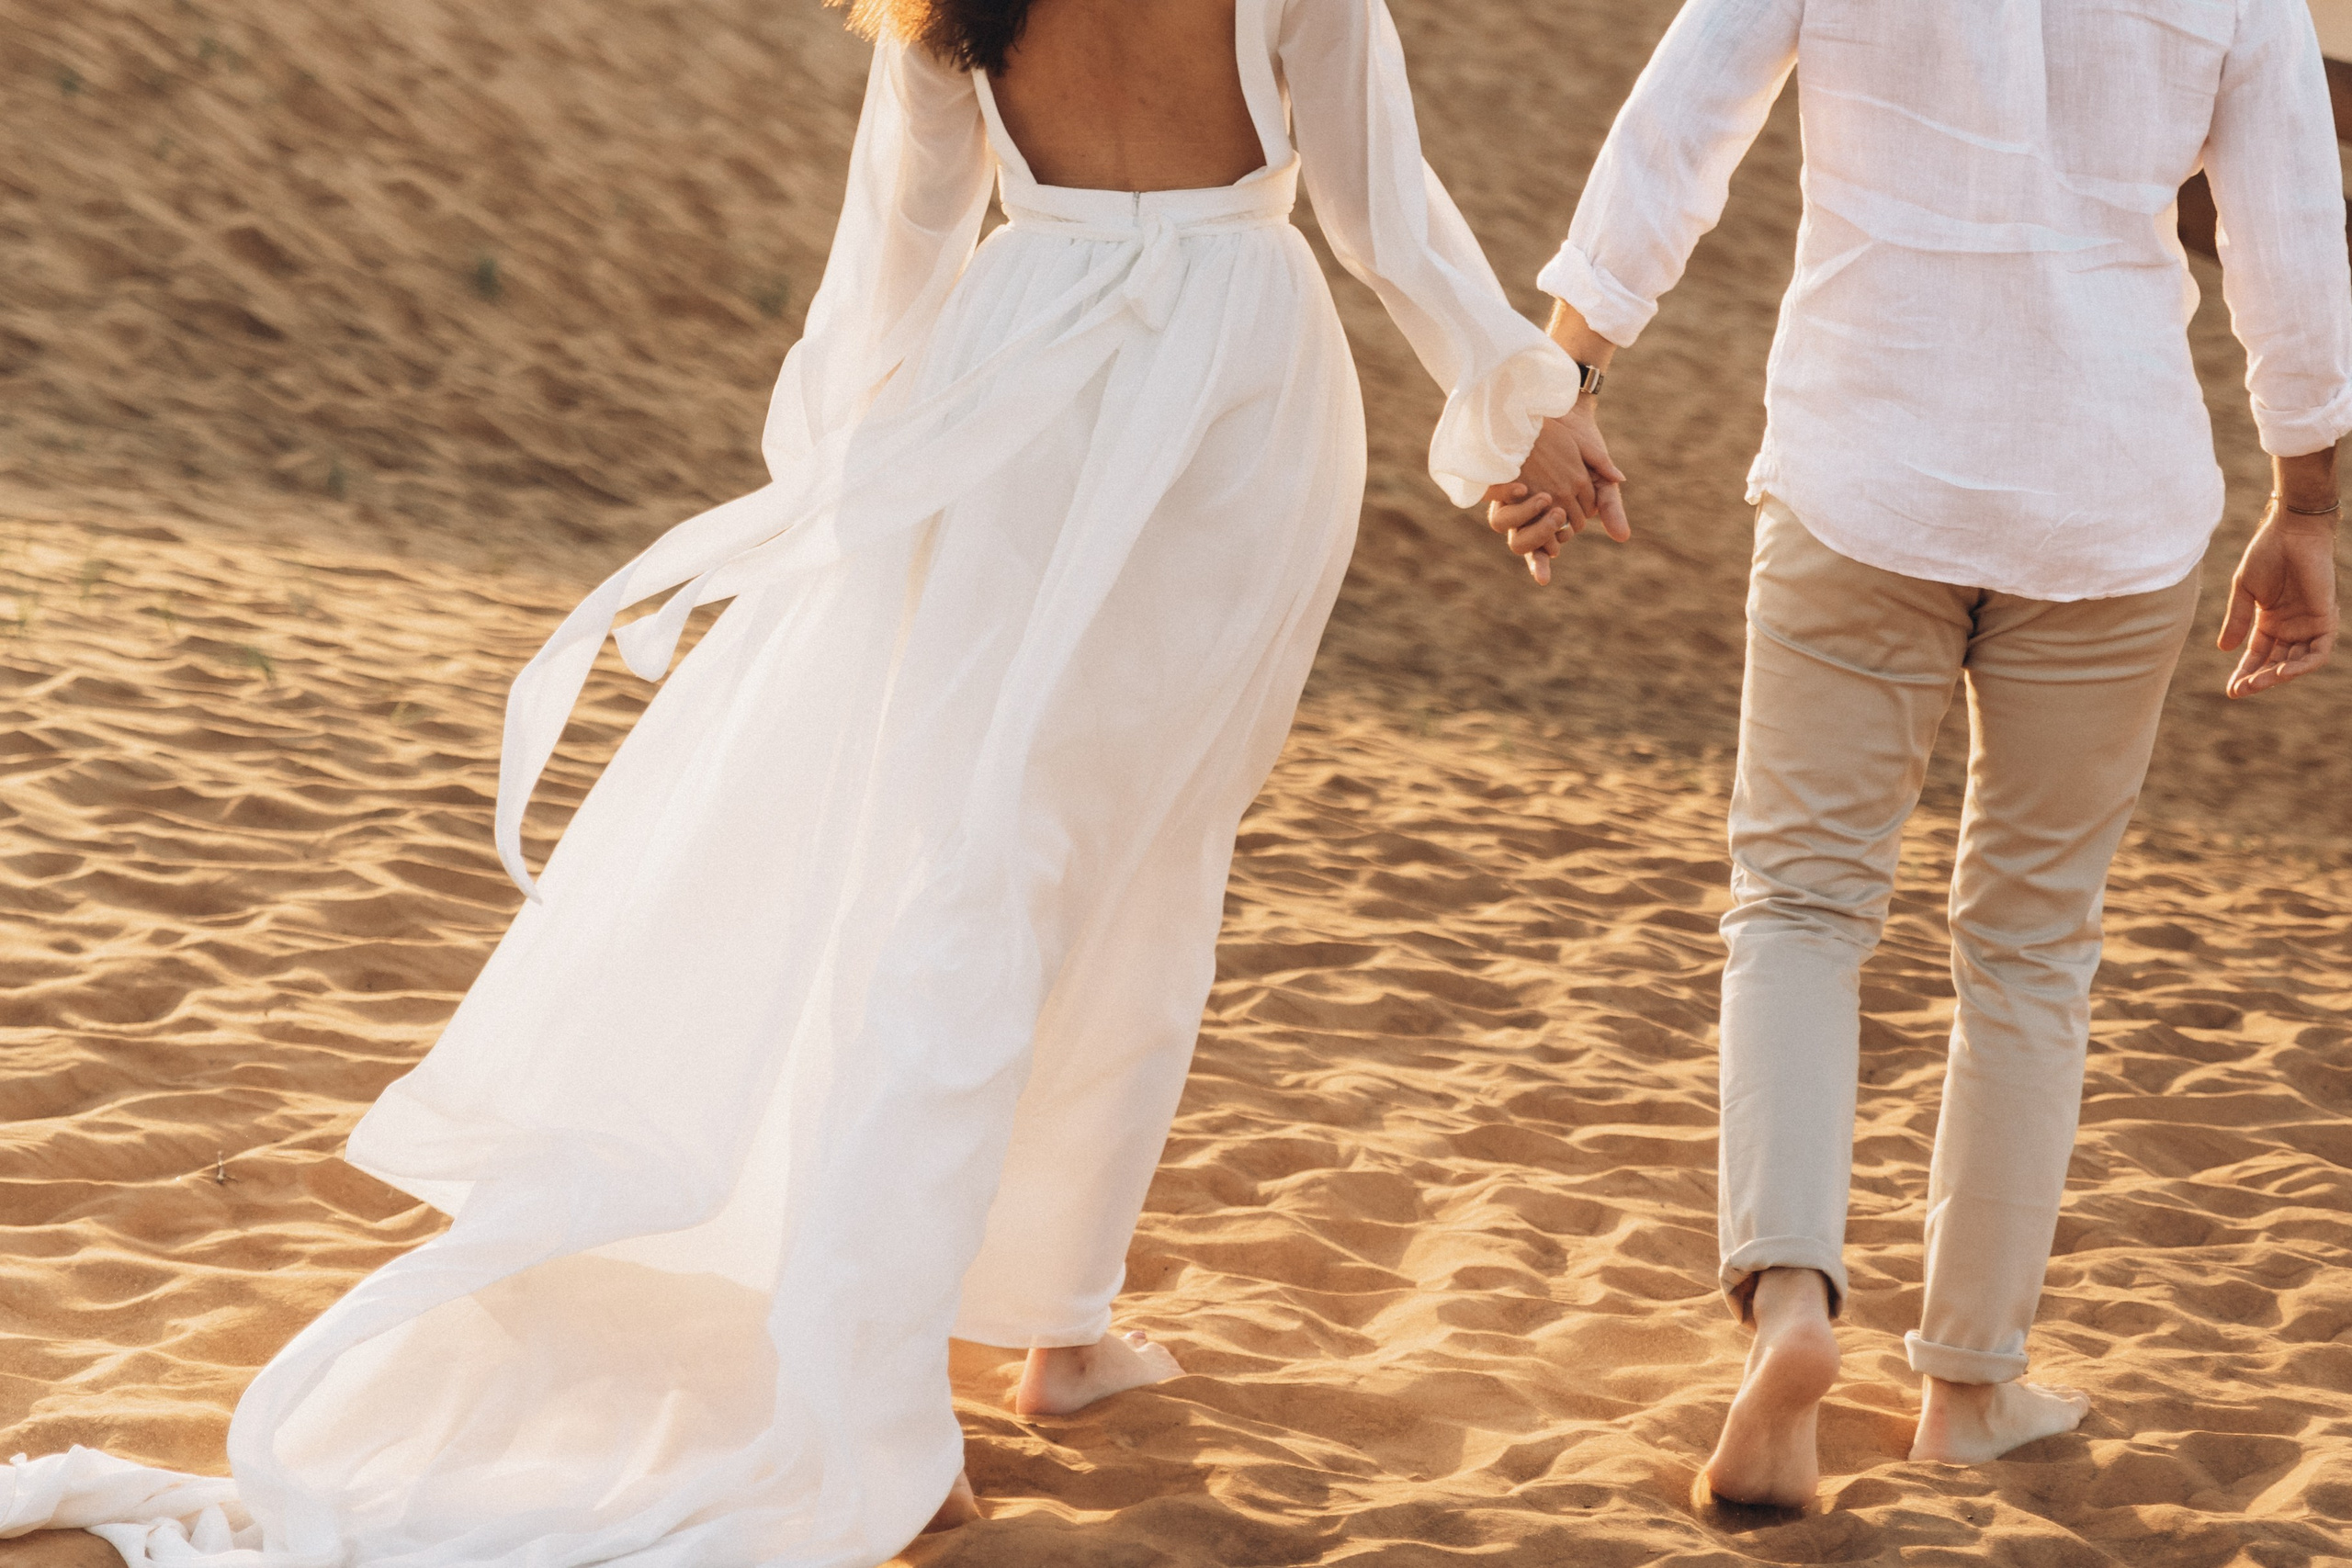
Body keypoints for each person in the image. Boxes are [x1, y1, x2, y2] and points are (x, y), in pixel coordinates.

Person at [0, 0, 1589, 1562]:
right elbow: (1390, 215)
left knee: (986, 864)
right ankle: (939, 1370)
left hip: (1014, 378)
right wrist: (1534, 408)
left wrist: (839, 477)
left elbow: (893, 253)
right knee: (1138, 858)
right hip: (1239, 391)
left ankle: (1026, 1322)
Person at [1494, 0, 2350, 1509]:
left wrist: (1570, 370)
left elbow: (1678, 128)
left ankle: (1795, 1302)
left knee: (1802, 908)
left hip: (1860, 466)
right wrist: (2310, 503)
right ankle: (1970, 1380)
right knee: (2029, 945)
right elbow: (2290, 240)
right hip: (2109, 499)